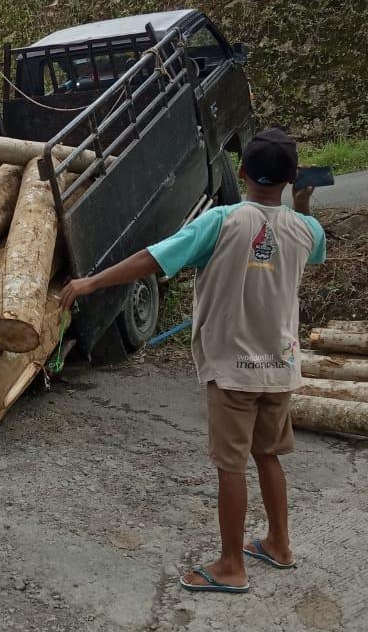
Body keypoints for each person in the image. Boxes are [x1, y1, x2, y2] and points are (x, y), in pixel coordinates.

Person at [60, 128, 326, 594]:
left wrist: (91, 283)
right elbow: (305, 243)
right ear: (292, 177)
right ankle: (280, 544)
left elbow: (153, 258)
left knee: (231, 466)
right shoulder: (308, 229)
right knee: (268, 455)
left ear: (240, 172)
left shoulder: (221, 222)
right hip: (280, 367)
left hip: (233, 370)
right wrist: (300, 203)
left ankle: (230, 565)